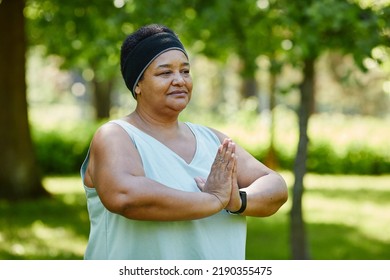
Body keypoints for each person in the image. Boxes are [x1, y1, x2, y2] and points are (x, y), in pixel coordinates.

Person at [80, 23, 288, 260]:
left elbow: (275, 186)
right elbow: (126, 196)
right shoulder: (116, 136)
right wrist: (212, 201)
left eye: (185, 71)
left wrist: (237, 200)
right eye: (165, 73)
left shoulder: (213, 140)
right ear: (137, 84)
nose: (179, 80)